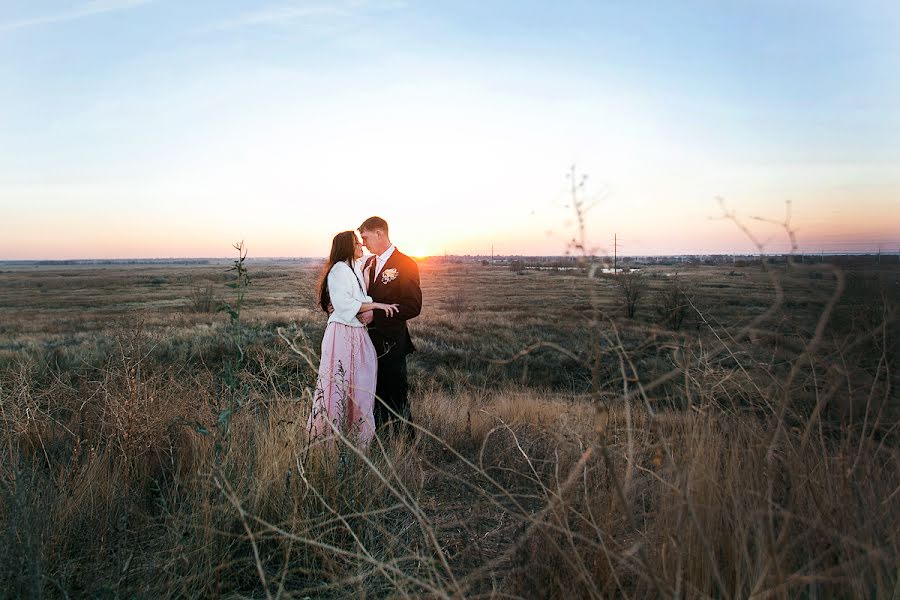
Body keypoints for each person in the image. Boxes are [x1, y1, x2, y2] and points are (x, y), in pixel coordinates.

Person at [308, 231, 398, 449]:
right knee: (337, 386)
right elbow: (344, 304)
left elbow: (358, 297)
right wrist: (376, 305)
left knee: (360, 387)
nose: (362, 246)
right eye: (357, 243)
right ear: (347, 247)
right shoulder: (339, 270)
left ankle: (358, 441)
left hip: (356, 332)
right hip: (342, 334)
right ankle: (328, 443)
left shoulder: (355, 268)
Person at [358, 217, 423, 436]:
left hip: (392, 343)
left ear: (379, 233)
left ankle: (407, 445)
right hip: (368, 344)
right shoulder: (369, 263)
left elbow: (413, 306)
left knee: (397, 396)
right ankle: (381, 442)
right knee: (374, 396)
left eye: (365, 237)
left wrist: (375, 315)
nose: (364, 243)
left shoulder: (406, 263)